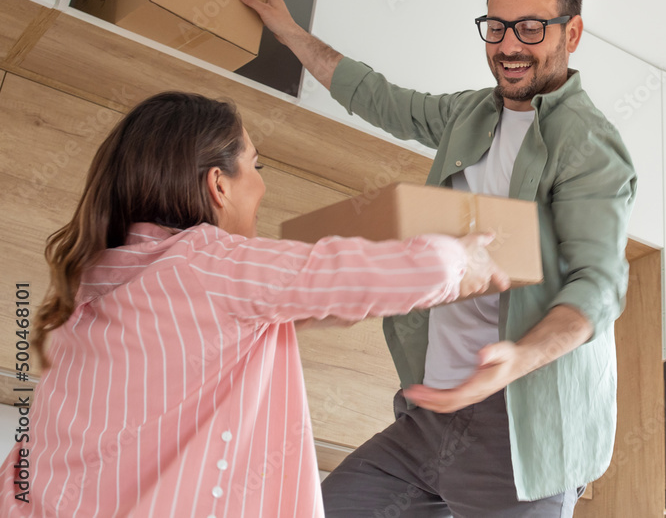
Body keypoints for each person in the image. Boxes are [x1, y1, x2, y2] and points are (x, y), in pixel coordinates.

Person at [240, 0, 637, 517]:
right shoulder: (469, 114)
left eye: (530, 28)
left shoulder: (589, 145)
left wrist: (519, 356)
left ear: (570, 32)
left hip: (517, 432)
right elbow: (375, 96)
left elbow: (597, 287)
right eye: (495, 27)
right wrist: (288, 32)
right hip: (427, 418)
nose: (508, 46)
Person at [0, 91, 507, 517]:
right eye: (255, 165)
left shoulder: (89, 291)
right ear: (218, 185)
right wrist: (462, 258)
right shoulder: (209, 263)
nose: (262, 183)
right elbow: (348, 274)